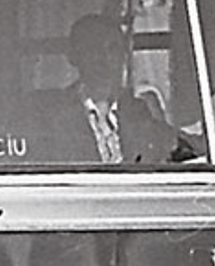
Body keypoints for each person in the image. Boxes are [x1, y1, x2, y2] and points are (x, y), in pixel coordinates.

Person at [32, 13, 182, 165]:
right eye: (94, 49)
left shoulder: (138, 111)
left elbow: (171, 151)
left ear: (124, 56)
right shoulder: (51, 115)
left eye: (113, 49)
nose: (104, 59)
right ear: (74, 56)